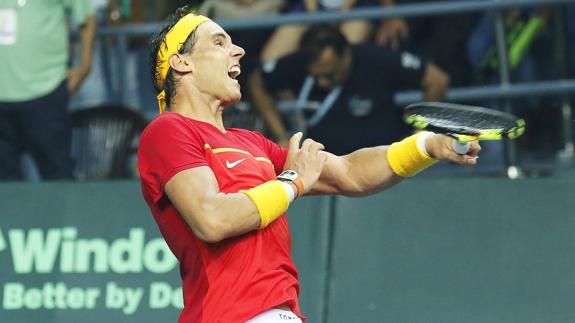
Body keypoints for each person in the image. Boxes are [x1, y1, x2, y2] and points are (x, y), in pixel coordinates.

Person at [138, 7, 480, 323]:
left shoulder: (253, 142)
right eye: (219, 42)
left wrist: (425, 145)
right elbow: (212, 218)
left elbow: (350, 173)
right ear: (182, 63)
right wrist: (291, 183)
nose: (238, 50)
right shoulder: (168, 130)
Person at [249, 24, 449, 154]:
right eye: (316, 76)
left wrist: (417, 136)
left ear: (346, 55)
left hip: (383, 163)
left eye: (329, 74)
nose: (322, 83)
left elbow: (437, 81)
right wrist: (281, 135)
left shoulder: (376, 59)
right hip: (323, 167)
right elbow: (256, 82)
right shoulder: (300, 62)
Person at [0, 0, 96, 180]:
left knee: (58, 179)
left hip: (45, 91)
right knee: (4, 188)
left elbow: (87, 18)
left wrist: (85, 65)